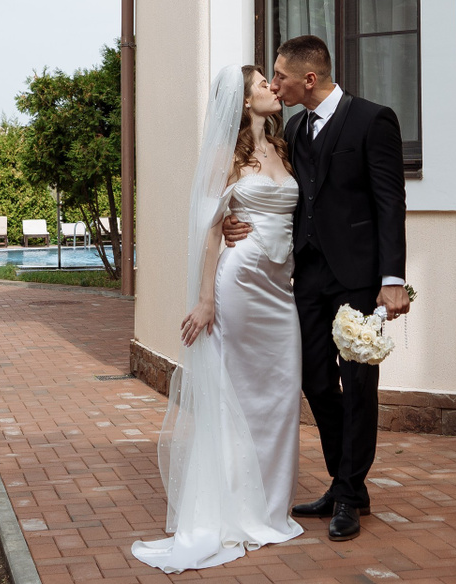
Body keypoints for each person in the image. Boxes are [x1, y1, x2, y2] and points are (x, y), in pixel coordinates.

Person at [222, 34, 409, 544]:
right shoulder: (295, 129)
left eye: (280, 76)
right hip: (304, 277)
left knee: (359, 384)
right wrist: (230, 221)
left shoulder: (373, 120)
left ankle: (348, 492)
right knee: (315, 380)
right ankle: (344, 481)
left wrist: (392, 280)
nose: (275, 85)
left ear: (308, 78)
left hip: (358, 278)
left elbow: (390, 202)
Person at [130, 67, 305, 573]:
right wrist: (205, 299)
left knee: (281, 392)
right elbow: (210, 230)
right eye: (264, 84)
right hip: (240, 283)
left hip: (282, 290)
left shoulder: (285, 146)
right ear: (245, 101)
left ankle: (270, 508)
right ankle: (235, 506)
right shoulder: (224, 156)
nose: (274, 88)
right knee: (239, 395)